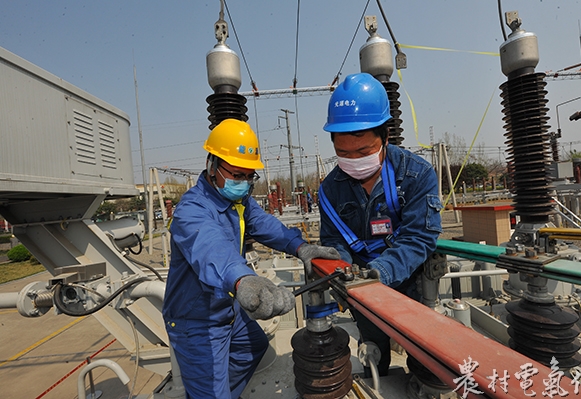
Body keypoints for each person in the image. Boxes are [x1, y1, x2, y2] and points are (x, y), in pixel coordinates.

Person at [162, 118, 340, 399]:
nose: (244, 184)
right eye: (236, 175)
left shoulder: (238, 202)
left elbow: (264, 224)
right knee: (210, 392)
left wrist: (300, 247)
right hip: (196, 318)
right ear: (212, 166)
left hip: (227, 308)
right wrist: (243, 278)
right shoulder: (192, 209)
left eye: (249, 176)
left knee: (252, 348)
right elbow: (211, 247)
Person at [318, 73, 443, 377]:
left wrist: (381, 273)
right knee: (373, 353)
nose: (354, 161)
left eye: (363, 152)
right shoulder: (330, 190)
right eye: (344, 154)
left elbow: (418, 238)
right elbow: (334, 241)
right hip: (361, 289)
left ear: (385, 137)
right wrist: (342, 273)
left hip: (409, 281)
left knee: (425, 358)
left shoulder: (416, 175)